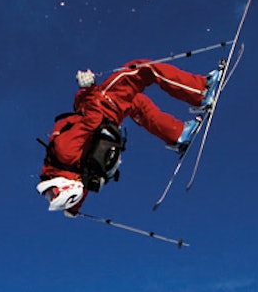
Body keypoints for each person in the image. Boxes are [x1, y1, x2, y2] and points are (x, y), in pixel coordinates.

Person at [37, 58, 223, 214]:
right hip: (103, 106)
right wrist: (89, 89)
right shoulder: (64, 152)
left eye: (50, 194)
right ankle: (201, 91)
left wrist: (73, 209)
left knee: (136, 104)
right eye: (52, 194)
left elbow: (78, 189)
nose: (50, 194)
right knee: (141, 70)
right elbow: (91, 120)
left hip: (108, 120)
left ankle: (179, 134)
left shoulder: (71, 176)